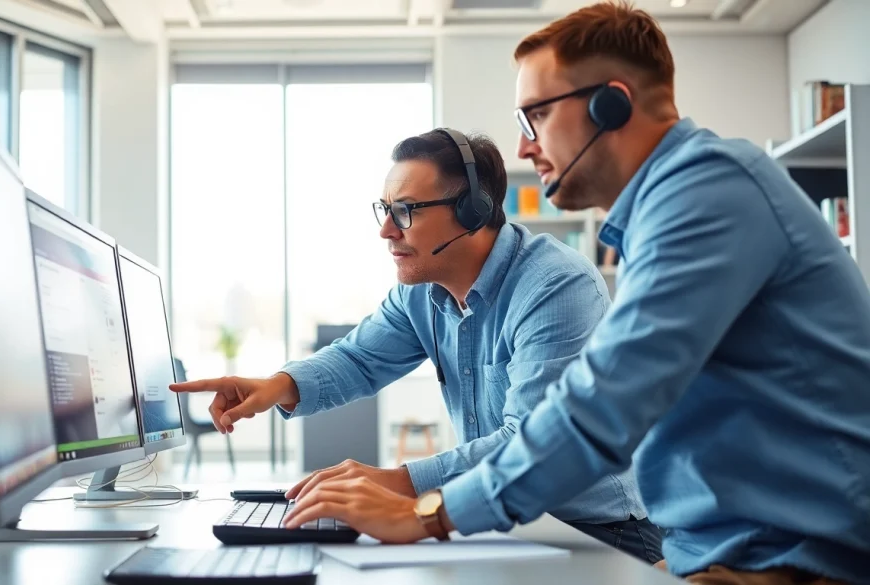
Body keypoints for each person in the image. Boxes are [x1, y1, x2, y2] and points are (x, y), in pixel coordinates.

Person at [202, 2, 870, 584]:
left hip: (794, 561)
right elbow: (359, 357)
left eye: (537, 117)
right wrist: (280, 384)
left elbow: (599, 410)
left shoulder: (705, 198)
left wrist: (423, 509)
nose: (526, 148)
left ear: (611, 105)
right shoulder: (668, 210)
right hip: (716, 551)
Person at [172, 128, 663, 561]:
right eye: (385, 210)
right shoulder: (422, 293)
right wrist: (277, 386)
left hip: (596, 533)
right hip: (498, 523)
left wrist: (397, 482)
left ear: (473, 212)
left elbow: (532, 441)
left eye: (404, 211)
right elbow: (359, 358)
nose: (386, 230)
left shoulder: (555, 286)